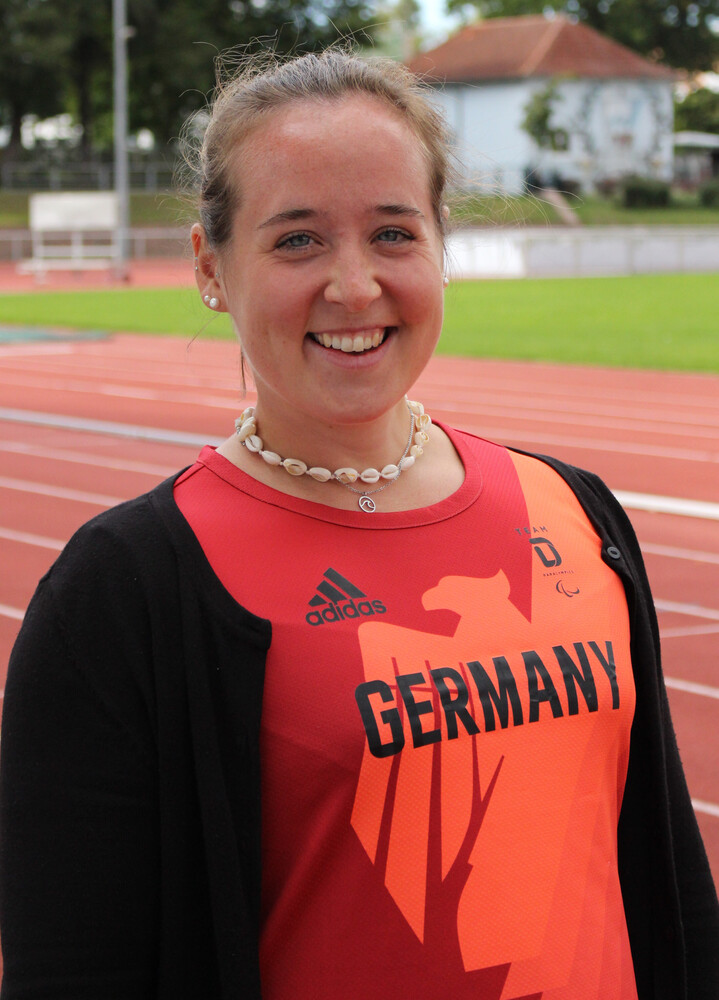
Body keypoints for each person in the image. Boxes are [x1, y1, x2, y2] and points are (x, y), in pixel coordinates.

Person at [0, 48, 717, 1000]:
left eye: (391, 233)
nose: (353, 285)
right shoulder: (125, 588)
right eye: (298, 240)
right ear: (211, 267)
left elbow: (668, 885)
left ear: (438, 243)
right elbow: (72, 967)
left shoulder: (575, 510)